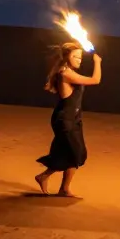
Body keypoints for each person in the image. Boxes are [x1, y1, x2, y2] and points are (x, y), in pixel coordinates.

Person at [35, 42, 101, 198]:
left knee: (67, 152)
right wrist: (97, 62)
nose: (80, 59)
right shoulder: (65, 73)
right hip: (65, 119)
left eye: (80, 57)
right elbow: (95, 80)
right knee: (77, 153)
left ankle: (58, 185)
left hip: (73, 118)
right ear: (66, 57)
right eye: (75, 56)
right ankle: (51, 180)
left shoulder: (68, 71)